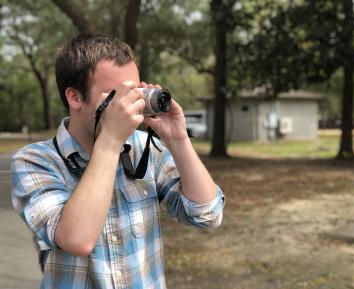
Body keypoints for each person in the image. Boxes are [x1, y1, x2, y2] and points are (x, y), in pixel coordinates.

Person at [11, 33, 224, 289]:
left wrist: (178, 139)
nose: (128, 105)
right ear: (75, 97)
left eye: (133, 92)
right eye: (116, 95)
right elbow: (77, 240)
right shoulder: (35, 161)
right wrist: (110, 140)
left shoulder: (145, 149)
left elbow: (207, 215)